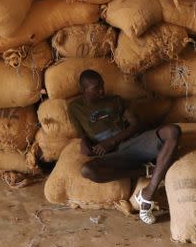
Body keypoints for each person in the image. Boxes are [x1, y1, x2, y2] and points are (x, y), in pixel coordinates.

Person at [67, 69, 181, 224]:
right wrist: (85, 144)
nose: (102, 91)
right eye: (96, 88)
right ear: (83, 90)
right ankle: (147, 170)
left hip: (132, 144)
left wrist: (112, 141)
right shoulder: (75, 108)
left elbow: (136, 124)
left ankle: (147, 195)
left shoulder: (116, 101)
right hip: (111, 155)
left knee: (173, 131)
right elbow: (82, 135)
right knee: (87, 170)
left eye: (102, 86)